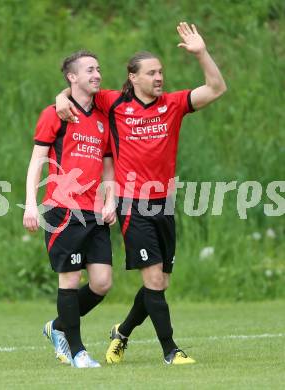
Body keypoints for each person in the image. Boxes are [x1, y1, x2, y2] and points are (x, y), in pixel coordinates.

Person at [56, 22, 227, 365]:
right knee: (152, 277)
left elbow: (217, 88)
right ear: (133, 77)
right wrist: (61, 98)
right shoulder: (114, 102)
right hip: (133, 203)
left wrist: (201, 53)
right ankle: (170, 350)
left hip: (164, 203)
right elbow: (77, 94)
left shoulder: (174, 104)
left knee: (158, 283)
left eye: (161, 71)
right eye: (151, 73)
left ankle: (121, 333)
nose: (159, 77)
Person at [23, 50, 116, 368]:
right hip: (63, 210)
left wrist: (110, 198)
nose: (97, 74)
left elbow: (107, 166)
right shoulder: (55, 113)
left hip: (94, 211)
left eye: (99, 69)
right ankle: (77, 352)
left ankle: (58, 326)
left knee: (102, 282)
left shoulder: (104, 118)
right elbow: (37, 160)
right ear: (71, 77)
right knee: (70, 281)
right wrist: (31, 204)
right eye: (90, 69)